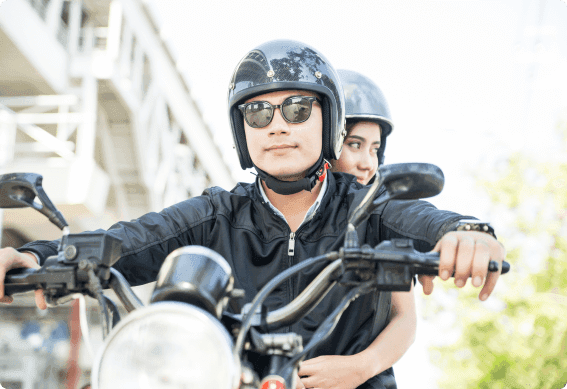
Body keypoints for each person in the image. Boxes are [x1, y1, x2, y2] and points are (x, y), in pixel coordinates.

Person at [0, 40, 506, 389]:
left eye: (297, 109)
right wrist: (36, 253)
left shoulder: (366, 206)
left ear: (328, 119)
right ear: (243, 130)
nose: (277, 126)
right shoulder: (216, 212)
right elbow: (130, 238)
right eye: (258, 113)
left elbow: (421, 219)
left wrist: (468, 232)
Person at [298, 69, 414, 388]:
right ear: (325, 144)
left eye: (374, 148)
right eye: (355, 144)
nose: (368, 162)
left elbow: (405, 319)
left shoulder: (381, 223)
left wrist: (360, 367)